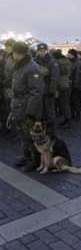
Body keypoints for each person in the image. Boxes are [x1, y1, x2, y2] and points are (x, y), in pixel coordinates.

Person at [8, 42, 44, 172]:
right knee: (23, 134)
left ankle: (35, 160)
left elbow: (36, 92)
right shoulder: (20, 66)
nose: (12, 55)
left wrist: (30, 112)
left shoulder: (31, 68)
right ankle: (26, 156)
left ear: (19, 53)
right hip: (19, 105)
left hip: (26, 107)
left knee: (30, 135)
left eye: (14, 53)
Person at [35, 43, 60, 136]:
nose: (42, 52)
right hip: (37, 91)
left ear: (46, 50)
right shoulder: (34, 61)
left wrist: (52, 90)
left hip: (47, 90)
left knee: (49, 112)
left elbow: (55, 77)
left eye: (43, 50)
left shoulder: (52, 62)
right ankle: (41, 131)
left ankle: (51, 132)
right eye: (40, 50)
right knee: (39, 112)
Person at [52, 49, 73, 128]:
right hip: (67, 83)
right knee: (66, 103)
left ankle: (67, 121)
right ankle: (67, 119)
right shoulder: (67, 61)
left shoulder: (57, 63)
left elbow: (56, 75)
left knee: (64, 104)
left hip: (61, 85)